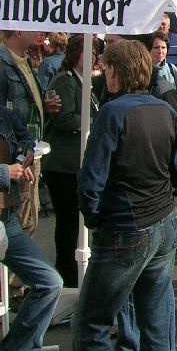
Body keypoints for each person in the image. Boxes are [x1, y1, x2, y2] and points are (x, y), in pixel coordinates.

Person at [73, 39, 177, 349]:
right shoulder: (165, 110)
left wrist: (95, 219)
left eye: (106, 68)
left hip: (128, 226)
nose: (103, 73)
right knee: (156, 321)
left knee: (91, 322)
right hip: (164, 221)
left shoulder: (112, 113)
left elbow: (90, 180)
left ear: (116, 71)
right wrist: (162, 197)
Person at [0, 106, 63, 351]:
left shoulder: (4, 115)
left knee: (50, 283)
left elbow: (27, 139)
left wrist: (20, 159)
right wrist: (5, 172)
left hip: (7, 220)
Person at [42, 35, 99, 288]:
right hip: (62, 164)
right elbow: (64, 118)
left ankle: (74, 269)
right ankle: (66, 271)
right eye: (88, 52)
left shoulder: (85, 81)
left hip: (77, 161)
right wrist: (93, 123)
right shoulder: (64, 81)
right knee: (67, 222)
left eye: (95, 53)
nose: (93, 58)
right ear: (76, 54)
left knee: (76, 222)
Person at [0, 30, 62, 239]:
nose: (38, 31)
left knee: (27, 222)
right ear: (18, 31)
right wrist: (17, 158)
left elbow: (23, 106)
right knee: (22, 226)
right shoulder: (3, 64)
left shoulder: (25, 60)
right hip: (16, 160)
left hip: (29, 152)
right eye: (32, 26)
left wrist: (43, 106)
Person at [151, 32, 177, 110]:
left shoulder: (172, 69)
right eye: (156, 47)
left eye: (163, 47)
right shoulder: (144, 71)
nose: (160, 51)